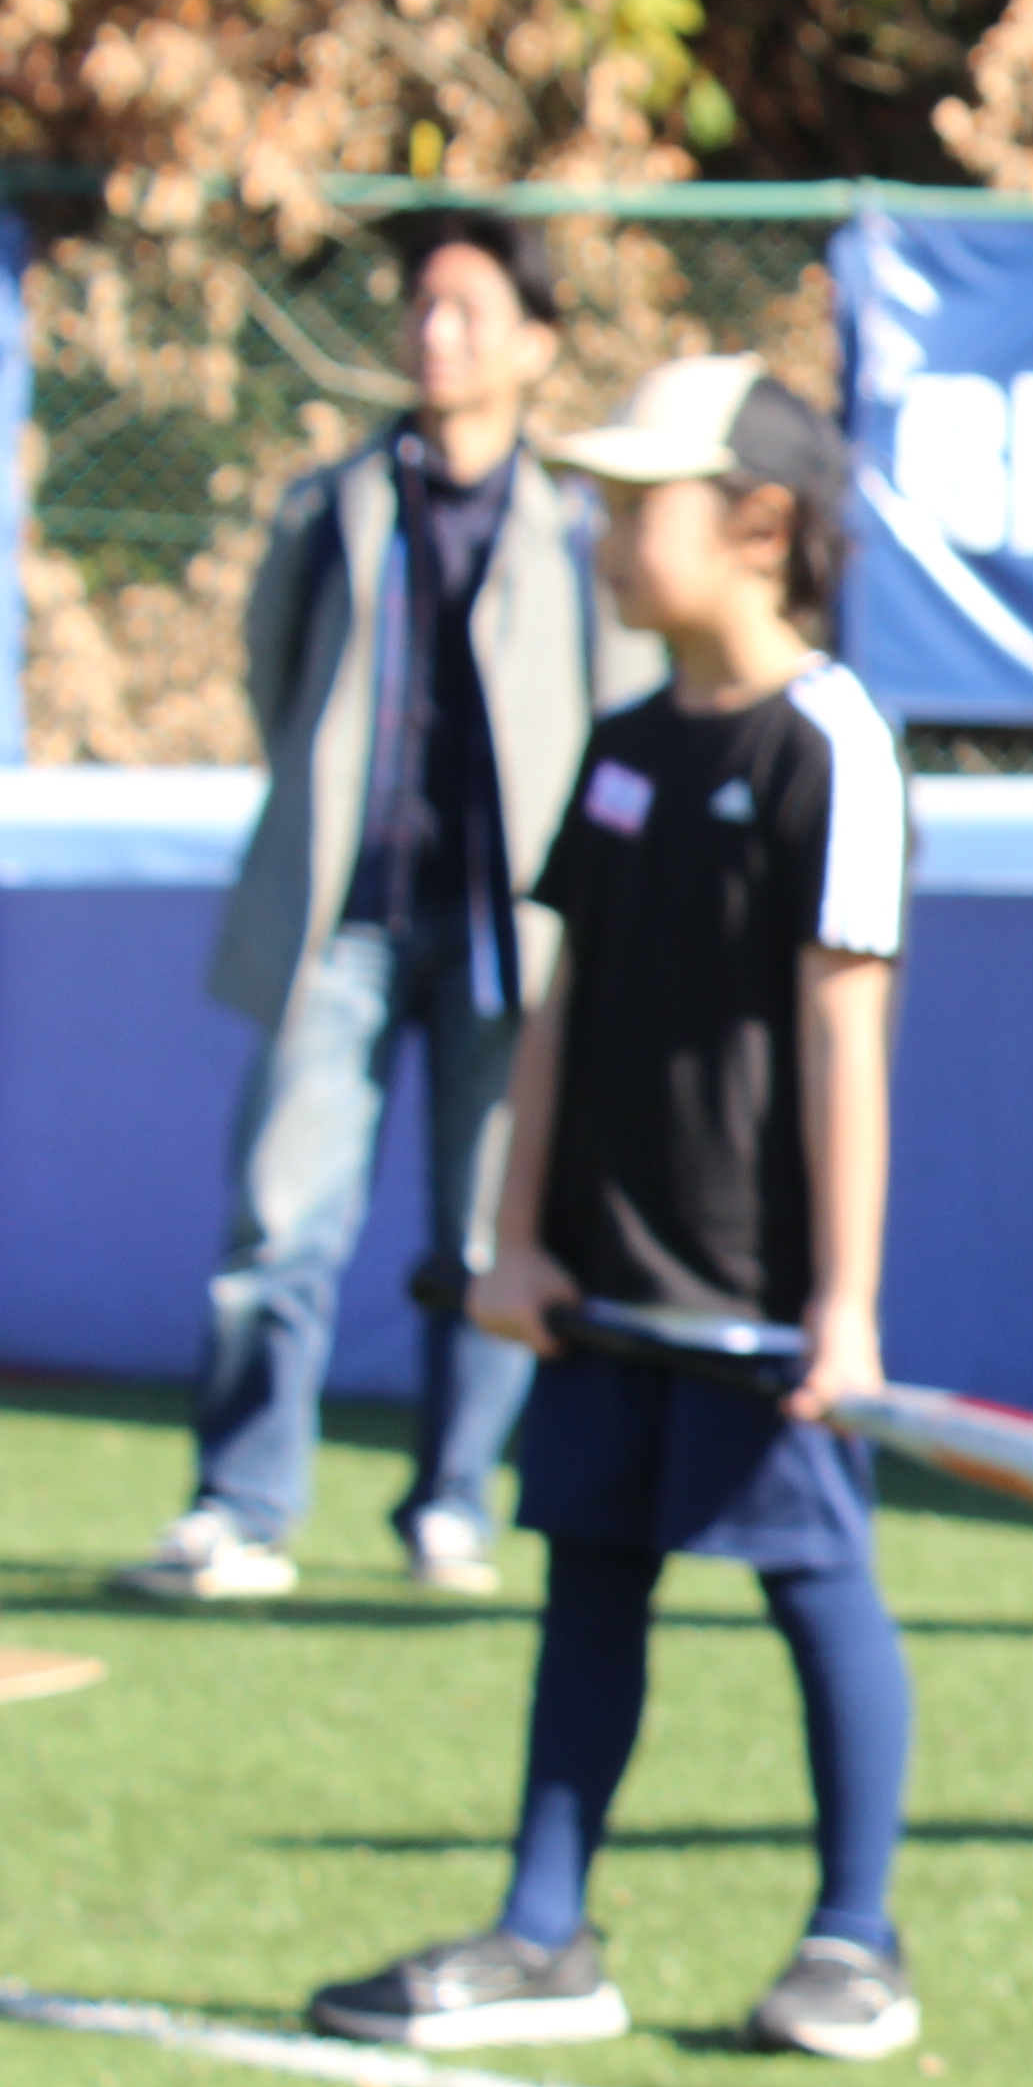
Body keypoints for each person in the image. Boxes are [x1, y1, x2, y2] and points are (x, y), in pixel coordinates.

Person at [307, 356, 928, 2063]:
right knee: (589, 1579)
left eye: (637, 497)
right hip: (602, 1277)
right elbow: (561, 1007)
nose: (601, 522)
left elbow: (842, 1030)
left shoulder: (831, 746)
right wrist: (520, 1239)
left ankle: (855, 1940)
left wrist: (845, 1304)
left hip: (759, 1297)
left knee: (818, 1583)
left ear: (758, 526)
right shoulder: (625, 741)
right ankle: (542, 1930)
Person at [119, 210, 643, 1603]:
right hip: (340, 923)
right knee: (279, 1220)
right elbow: (275, 682)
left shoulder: (579, 527)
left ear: (535, 345)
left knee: (487, 1234)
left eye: (470, 309)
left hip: (506, 937)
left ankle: (454, 1504)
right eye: (421, 306)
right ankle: (241, 1506)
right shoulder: (331, 503)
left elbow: (613, 727)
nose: (435, 331)